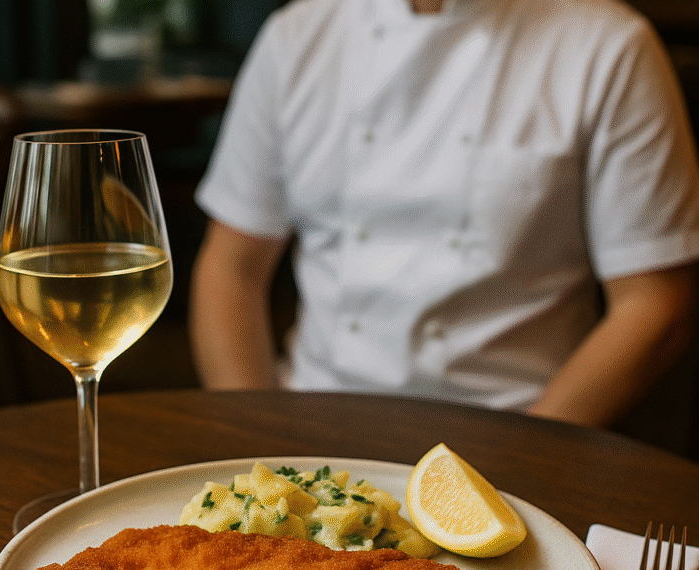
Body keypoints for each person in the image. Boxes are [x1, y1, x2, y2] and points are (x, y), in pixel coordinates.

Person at [188, 0, 699, 428]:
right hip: (317, 424)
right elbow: (233, 268)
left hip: (517, 423)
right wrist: (255, 439)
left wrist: (531, 454)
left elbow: (654, 303)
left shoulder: (609, 46)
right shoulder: (295, 37)